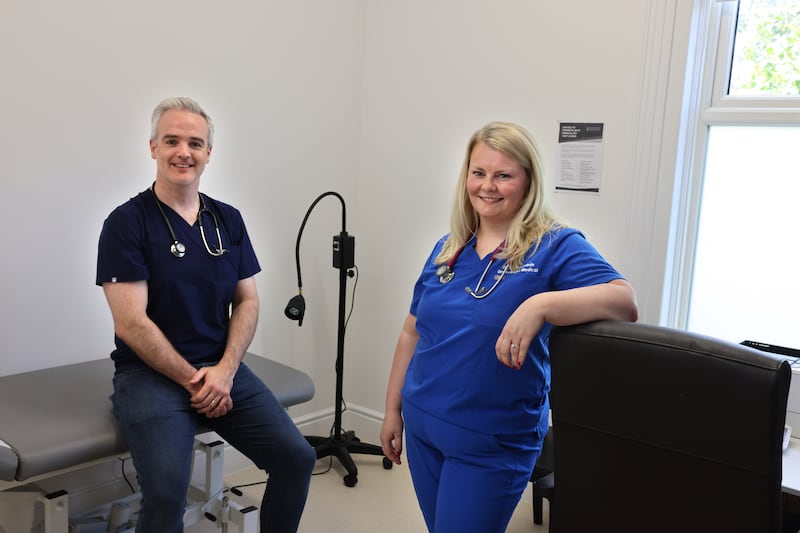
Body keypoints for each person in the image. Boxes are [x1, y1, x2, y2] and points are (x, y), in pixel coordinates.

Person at [379, 121, 639, 532]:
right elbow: (412, 331)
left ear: (528, 181)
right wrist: (392, 410)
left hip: (491, 442)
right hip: (424, 427)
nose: (488, 186)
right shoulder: (448, 248)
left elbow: (624, 301)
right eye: (479, 173)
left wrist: (541, 304)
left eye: (504, 175)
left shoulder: (556, 244)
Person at [96, 97, 316, 533]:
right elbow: (131, 323)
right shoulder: (127, 223)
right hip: (148, 375)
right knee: (165, 492)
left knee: (297, 457)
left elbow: (248, 302)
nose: (184, 152)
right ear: (153, 147)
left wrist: (225, 370)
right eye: (172, 141)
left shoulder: (227, 220)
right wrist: (195, 380)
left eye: (195, 143)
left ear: (209, 153)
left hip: (221, 368)